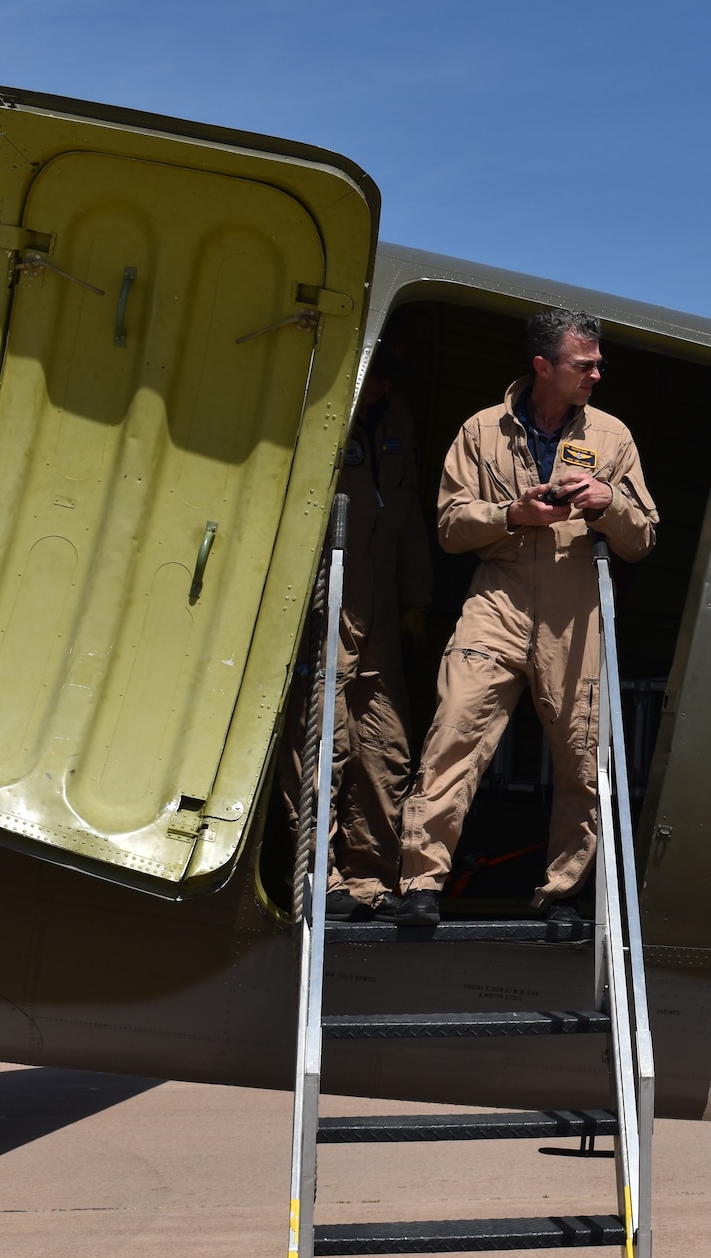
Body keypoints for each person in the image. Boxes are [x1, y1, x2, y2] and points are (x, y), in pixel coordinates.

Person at [381, 309, 658, 927]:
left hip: (575, 607)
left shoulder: (613, 438)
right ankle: (421, 884)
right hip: (498, 599)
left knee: (582, 755)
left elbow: (642, 538)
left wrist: (608, 503)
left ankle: (563, 893)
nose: (596, 375)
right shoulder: (480, 431)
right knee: (454, 729)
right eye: (584, 365)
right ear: (543, 366)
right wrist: (513, 514)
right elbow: (451, 527)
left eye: (598, 364)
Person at [278, 345, 434, 920]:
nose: (383, 390)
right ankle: (322, 875)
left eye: (393, 382)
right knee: (326, 738)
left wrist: (416, 602)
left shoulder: (396, 417)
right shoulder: (319, 410)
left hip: (383, 606)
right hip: (328, 598)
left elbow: (409, 512)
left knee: (386, 746)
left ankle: (371, 878)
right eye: (378, 379)